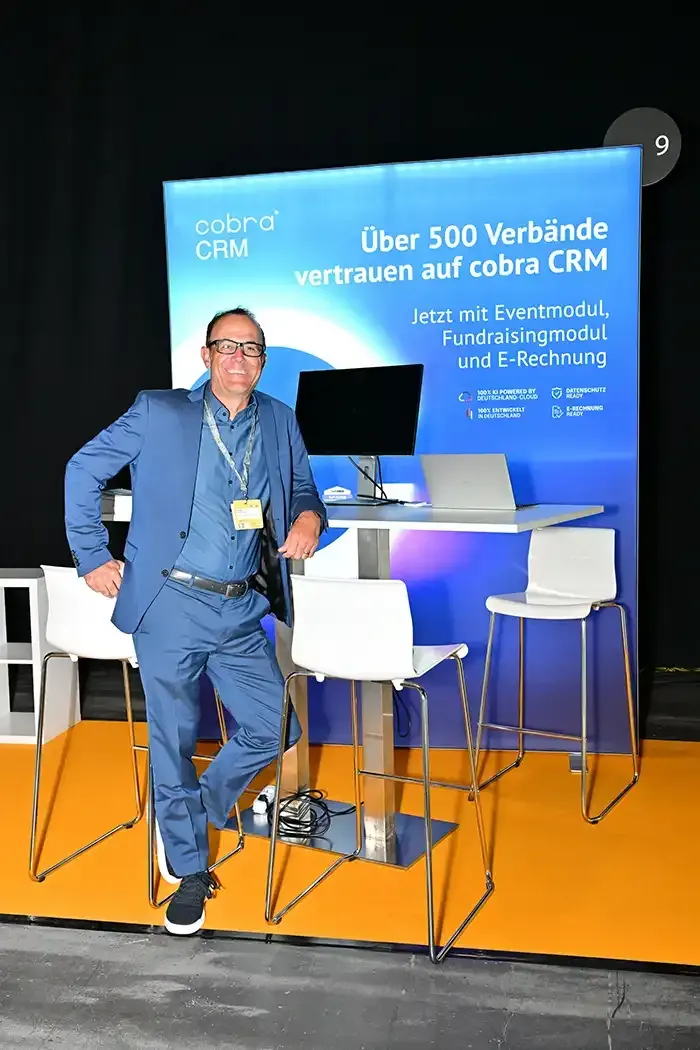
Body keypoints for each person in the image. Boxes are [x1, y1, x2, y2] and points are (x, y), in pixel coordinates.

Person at [64, 307, 325, 936]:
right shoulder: (160, 412)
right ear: (206, 357)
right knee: (174, 740)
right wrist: (92, 555)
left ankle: (191, 811)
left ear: (263, 361)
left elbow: (303, 489)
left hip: (241, 607)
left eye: (251, 348)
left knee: (276, 727)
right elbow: (82, 469)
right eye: (226, 346)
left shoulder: (278, 419)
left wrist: (310, 517)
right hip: (170, 604)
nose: (239, 357)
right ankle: (188, 870)